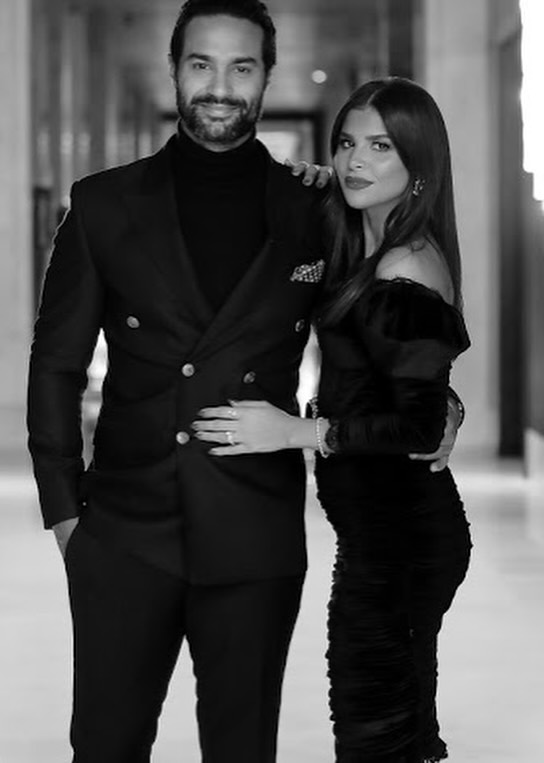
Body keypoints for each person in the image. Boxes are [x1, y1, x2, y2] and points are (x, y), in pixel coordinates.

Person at [27, 1, 337, 760]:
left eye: (241, 67)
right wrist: (66, 515)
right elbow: (56, 363)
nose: (220, 86)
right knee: (106, 744)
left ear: (267, 76)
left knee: (241, 748)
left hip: (255, 530)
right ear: (174, 70)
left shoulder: (317, 207)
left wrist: (434, 403)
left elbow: (374, 345)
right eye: (202, 64)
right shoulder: (104, 203)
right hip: (125, 529)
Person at [193, 77, 472, 763]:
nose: (355, 161)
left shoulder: (406, 264)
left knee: (376, 731)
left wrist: (296, 431)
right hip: (379, 537)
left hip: (401, 542)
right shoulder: (366, 240)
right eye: (347, 143)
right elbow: (417, 387)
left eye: (381, 147)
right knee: (394, 726)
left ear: (419, 164)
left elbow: (414, 425)